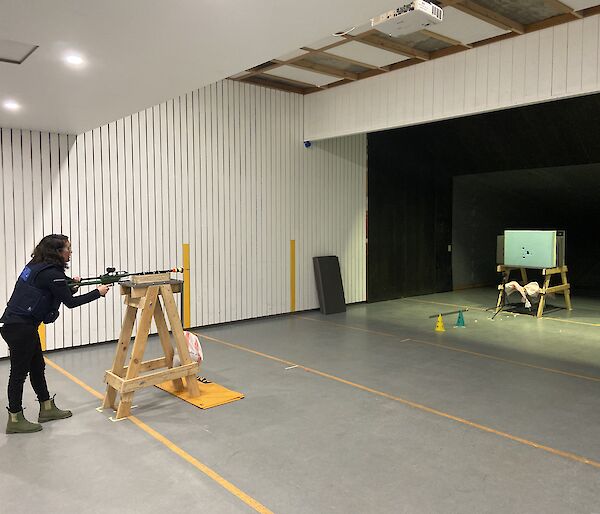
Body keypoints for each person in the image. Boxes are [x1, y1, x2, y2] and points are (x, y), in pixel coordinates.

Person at [0, 234, 110, 434]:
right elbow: (70, 302)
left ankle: (46, 408)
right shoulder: (52, 274)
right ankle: (15, 419)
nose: (70, 252)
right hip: (20, 328)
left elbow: (57, 290)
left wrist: (73, 284)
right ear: (57, 252)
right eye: (68, 248)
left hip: (18, 325)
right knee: (18, 374)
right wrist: (98, 292)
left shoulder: (37, 266)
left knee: (37, 367)